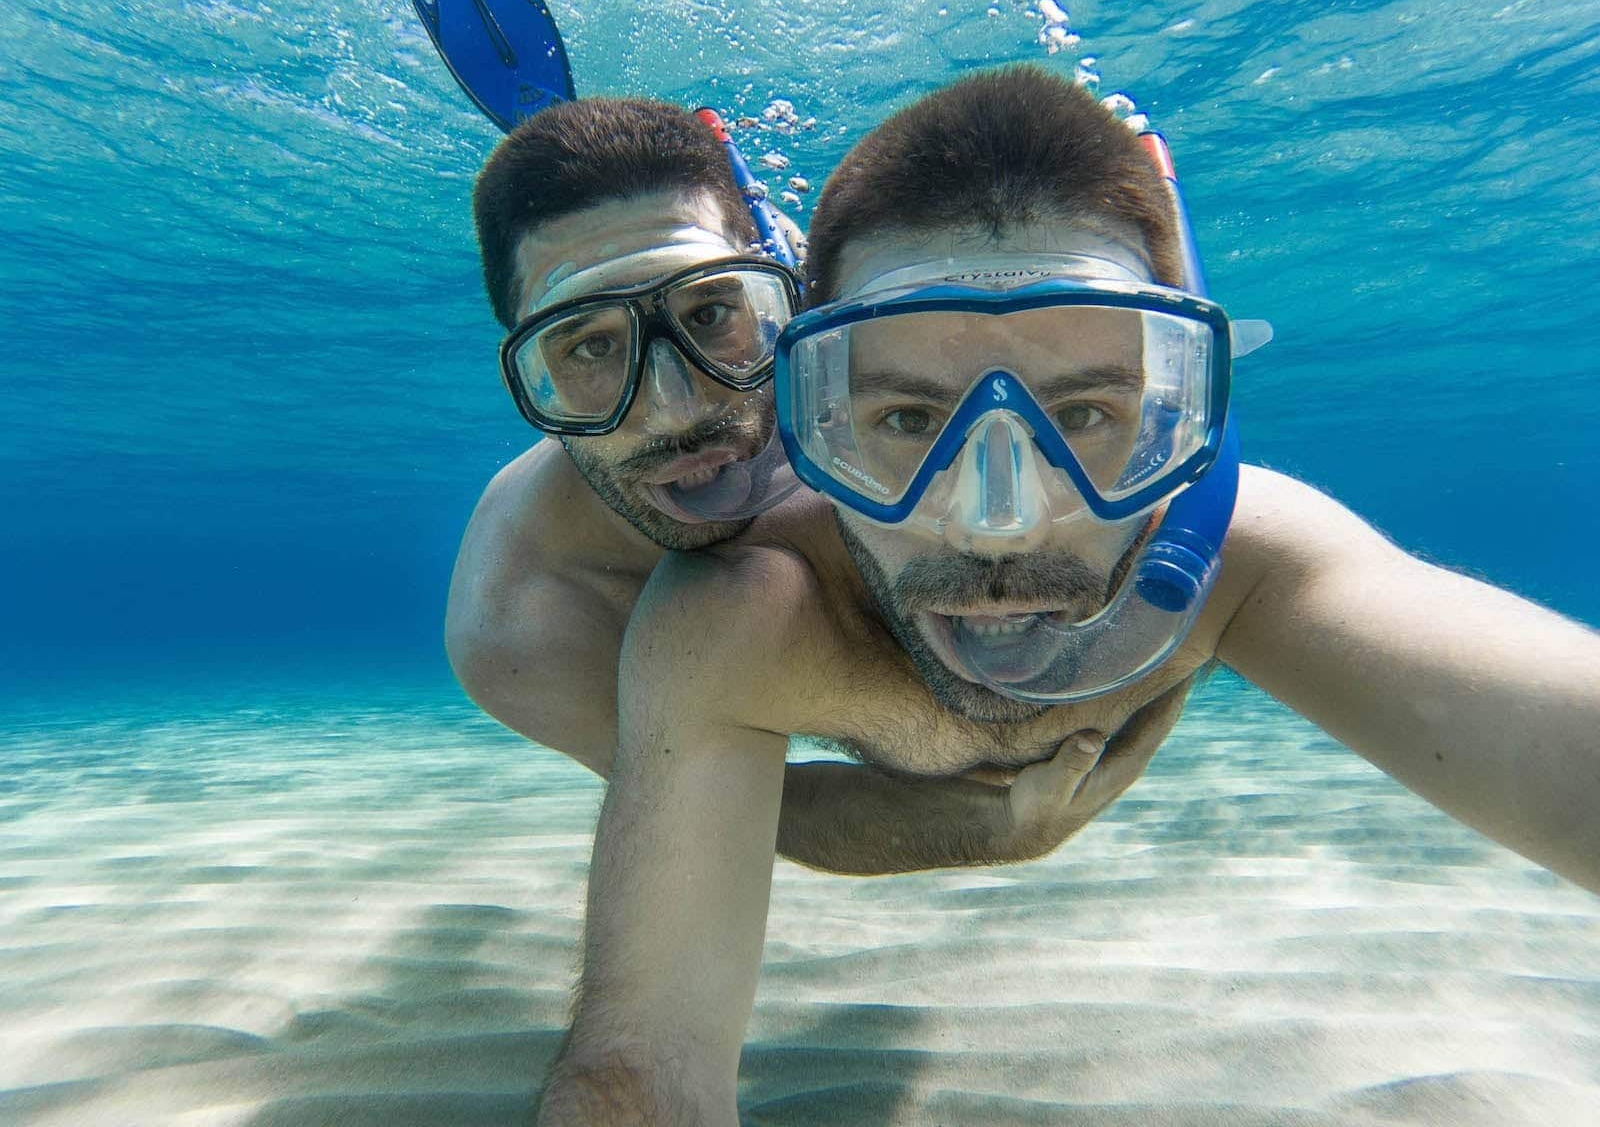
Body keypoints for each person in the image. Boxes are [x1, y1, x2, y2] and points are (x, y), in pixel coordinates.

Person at [534, 65, 1600, 1125]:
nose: (997, 521)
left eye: (1087, 415)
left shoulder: (1239, 552)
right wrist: (977, 833)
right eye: (905, 420)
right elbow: (641, 1068)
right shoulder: (735, 616)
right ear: (811, 425)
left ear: (1176, 422)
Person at [420, 0, 1145, 870]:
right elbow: (748, 810)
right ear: (534, 383)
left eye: (714, 314)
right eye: (590, 347)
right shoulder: (522, 621)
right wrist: (997, 831)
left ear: (788, 309)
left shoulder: (881, 370)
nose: (677, 405)